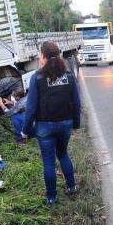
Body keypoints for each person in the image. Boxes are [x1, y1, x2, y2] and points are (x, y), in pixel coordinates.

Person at [21, 41, 81, 205]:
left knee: (48, 162)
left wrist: (25, 130)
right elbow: (76, 103)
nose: (40, 58)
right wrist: (76, 125)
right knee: (63, 154)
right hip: (65, 124)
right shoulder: (69, 76)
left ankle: (51, 197)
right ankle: (71, 187)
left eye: (40, 54)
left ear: (44, 57)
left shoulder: (37, 77)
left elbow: (31, 107)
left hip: (45, 126)